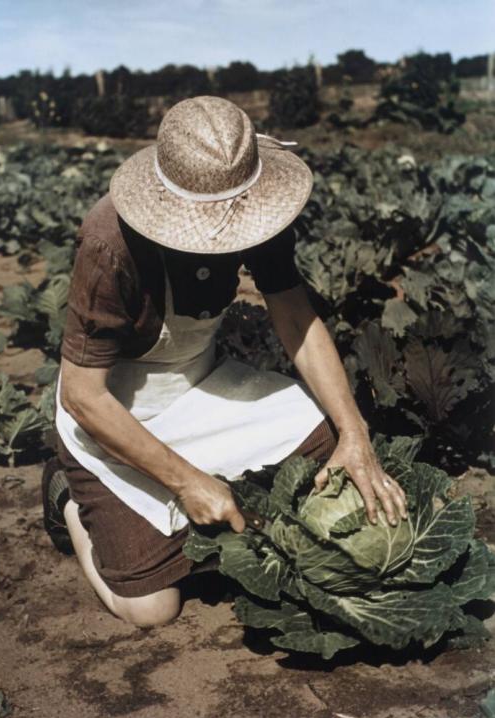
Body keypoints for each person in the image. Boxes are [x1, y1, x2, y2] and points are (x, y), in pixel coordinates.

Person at [42, 95, 407, 628]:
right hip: (115, 413)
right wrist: (187, 481)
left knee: (329, 441)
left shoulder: (259, 209)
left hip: (201, 383)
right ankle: (72, 500)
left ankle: (196, 499)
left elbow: (295, 316)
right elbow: (82, 396)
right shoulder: (109, 243)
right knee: (151, 610)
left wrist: (356, 433)